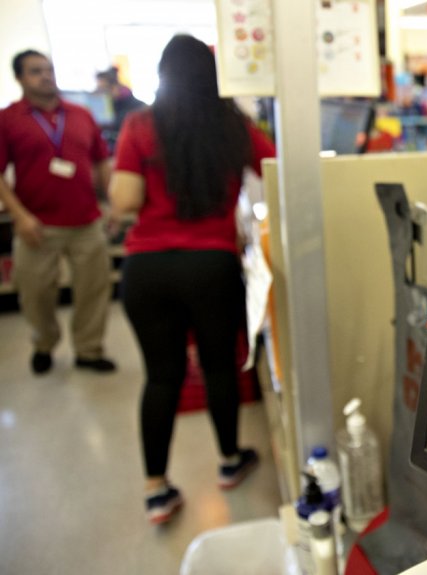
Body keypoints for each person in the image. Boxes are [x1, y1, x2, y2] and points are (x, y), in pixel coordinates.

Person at [109, 34, 276, 525]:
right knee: (219, 367)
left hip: (148, 269)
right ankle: (229, 461)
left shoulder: (139, 124)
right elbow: (276, 169)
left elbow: (124, 201)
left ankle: (156, 488)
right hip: (212, 265)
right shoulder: (233, 126)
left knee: (162, 376)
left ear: (163, 75)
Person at [0, 49, 117, 375]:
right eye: (36, 71)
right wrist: (20, 217)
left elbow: (100, 161)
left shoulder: (80, 114)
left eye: (49, 69)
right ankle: (44, 343)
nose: (46, 76)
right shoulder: (8, 119)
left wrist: (110, 202)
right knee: (35, 294)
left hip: (86, 221)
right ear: (20, 78)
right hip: (36, 225)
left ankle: (88, 350)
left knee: (94, 290)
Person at [95, 66, 146, 152]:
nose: (100, 93)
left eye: (103, 90)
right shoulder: (111, 105)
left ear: (115, 87)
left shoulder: (137, 108)